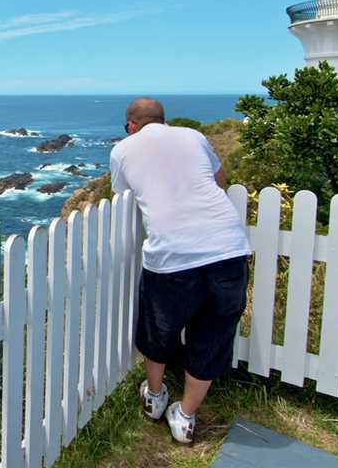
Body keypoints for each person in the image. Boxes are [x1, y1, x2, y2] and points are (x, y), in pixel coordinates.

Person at [108, 98, 250, 444]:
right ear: (164, 120)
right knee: (212, 335)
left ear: (131, 125)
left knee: (159, 329)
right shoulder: (194, 135)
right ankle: (185, 417)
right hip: (228, 249)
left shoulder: (123, 149)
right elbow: (220, 179)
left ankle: (155, 397)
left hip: (173, 254)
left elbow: (122, 195)